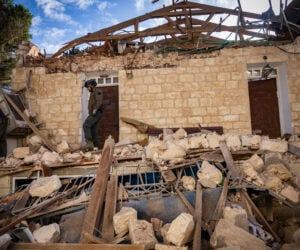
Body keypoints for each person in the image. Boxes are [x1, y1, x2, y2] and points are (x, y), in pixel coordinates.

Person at [83, 79, 103, 150]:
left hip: (96, 112)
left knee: (86, 125)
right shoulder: (92, 93)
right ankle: (96, 146)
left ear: (92, 86)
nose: (88, 88)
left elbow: (99, 101)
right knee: (93, 129)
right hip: (94, 113)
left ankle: (89, 144)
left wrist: (95, 110)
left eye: (88, 87)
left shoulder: (98, 91)